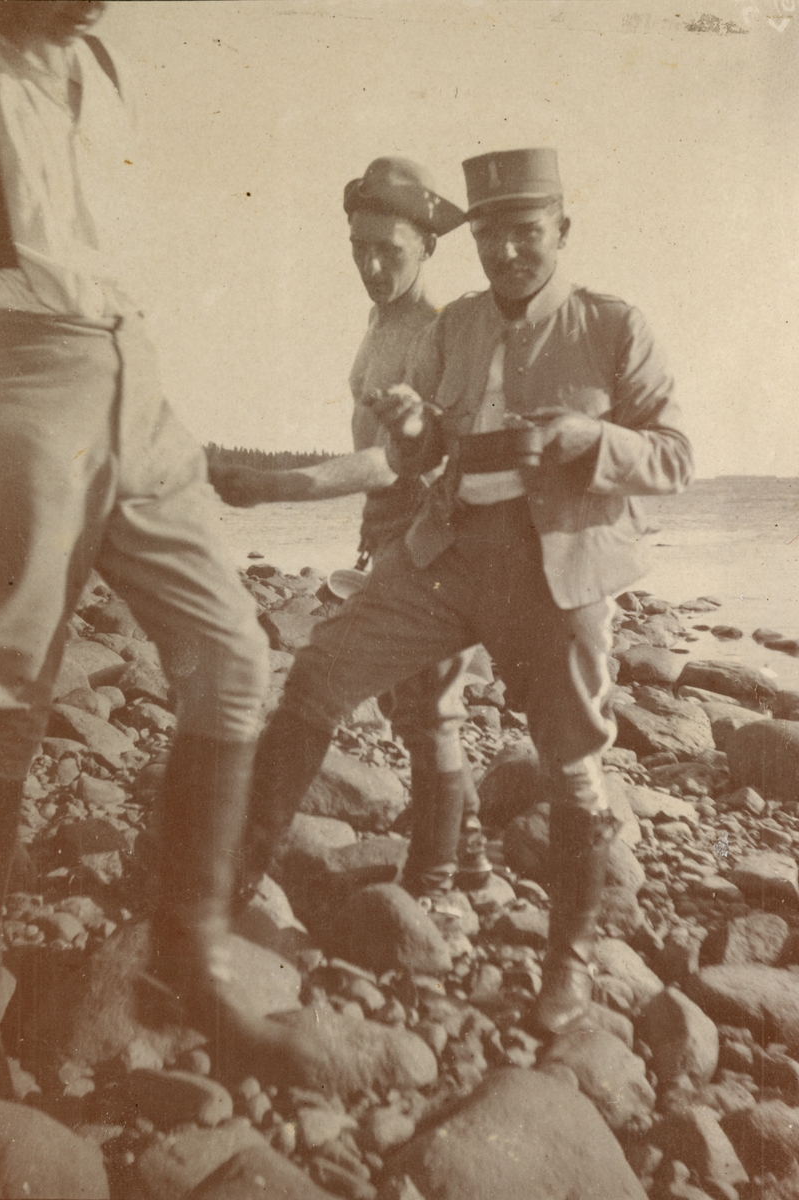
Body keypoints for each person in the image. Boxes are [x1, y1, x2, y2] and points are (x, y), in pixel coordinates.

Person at [240, 147, 693, 1038]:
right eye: (490, 237)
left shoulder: (612, 324)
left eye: (526, 233)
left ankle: (566, 961)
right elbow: (427, 452)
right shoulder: (455, 325)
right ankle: (228, 890)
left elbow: (674, 457)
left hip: (556, 564)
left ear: (561, 230)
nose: (507, 252)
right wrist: (415, 428)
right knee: (320, 674)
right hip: (445, 551)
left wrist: (587, 438)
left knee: (571, 763)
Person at [0, 0, 316, 1096]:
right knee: (5, 694)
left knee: (235, 654)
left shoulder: (102, 65)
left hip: (135, 378)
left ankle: (189, 958)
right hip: (25, 376)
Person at [214, 157, 492, 897]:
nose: (371, 266)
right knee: (418, 707)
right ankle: (464, 857)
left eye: (388, 250)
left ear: (427, 245)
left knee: (409, 705)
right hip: (389, 538)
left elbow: (386, 464)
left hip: (432, 540)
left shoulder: (434, 333)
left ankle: (430, 880)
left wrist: (273, 487)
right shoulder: (382, 319)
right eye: (358, 248)